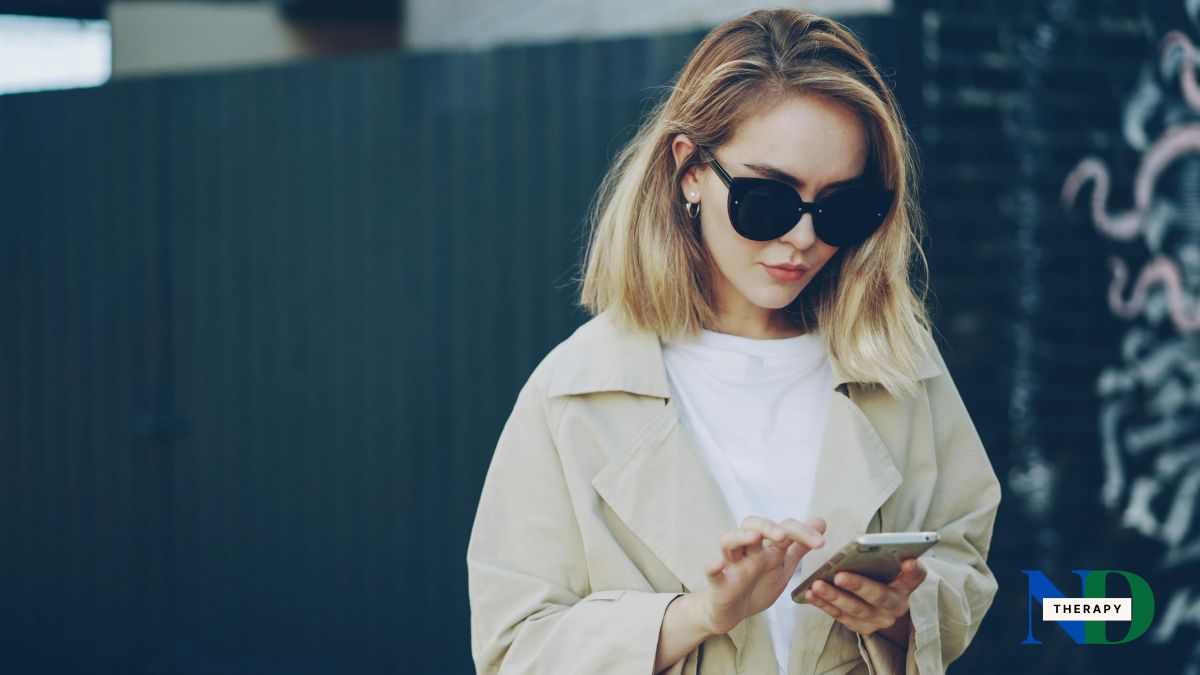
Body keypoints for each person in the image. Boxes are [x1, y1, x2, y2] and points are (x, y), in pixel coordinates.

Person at [466, 8, 1001, 675]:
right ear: (689, 169)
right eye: (766, 201)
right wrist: (697, 615)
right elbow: (515, 646)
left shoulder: (898, 362)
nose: (804, 238)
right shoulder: (573, 391)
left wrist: (896, 616)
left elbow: (963, 560)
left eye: (840, 207)